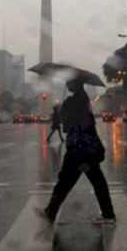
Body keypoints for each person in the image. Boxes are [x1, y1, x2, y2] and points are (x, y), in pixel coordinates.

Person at [35, 79, 115, 224]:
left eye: (69, 83)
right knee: (95, 181)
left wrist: (61, 110)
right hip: (87, 148)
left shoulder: (73, 101)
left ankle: (51, 212)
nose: (67, 85)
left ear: (76, 84)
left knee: (65, 182)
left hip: (79, 150)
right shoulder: (84, 99)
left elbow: (67, 125)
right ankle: (108, 214)